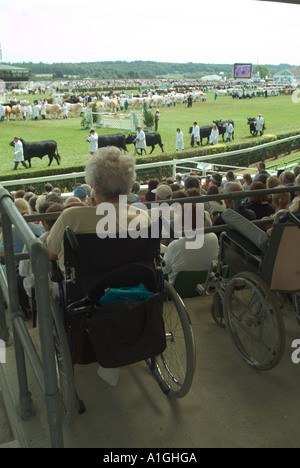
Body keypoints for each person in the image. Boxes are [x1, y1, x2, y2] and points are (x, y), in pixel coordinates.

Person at [46, 147, 151, 387]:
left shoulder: (72, 217)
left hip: (83, 293)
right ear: (127, 187)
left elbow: (51, 254)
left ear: (95, 188)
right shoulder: (142, 217)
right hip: (132, 287)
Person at [162, 203, 219, 285]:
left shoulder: (174, 246)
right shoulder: (214, 237)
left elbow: (165, 270)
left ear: (181, 223)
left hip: (178, 294)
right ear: (203, 220)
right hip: (207, 287)